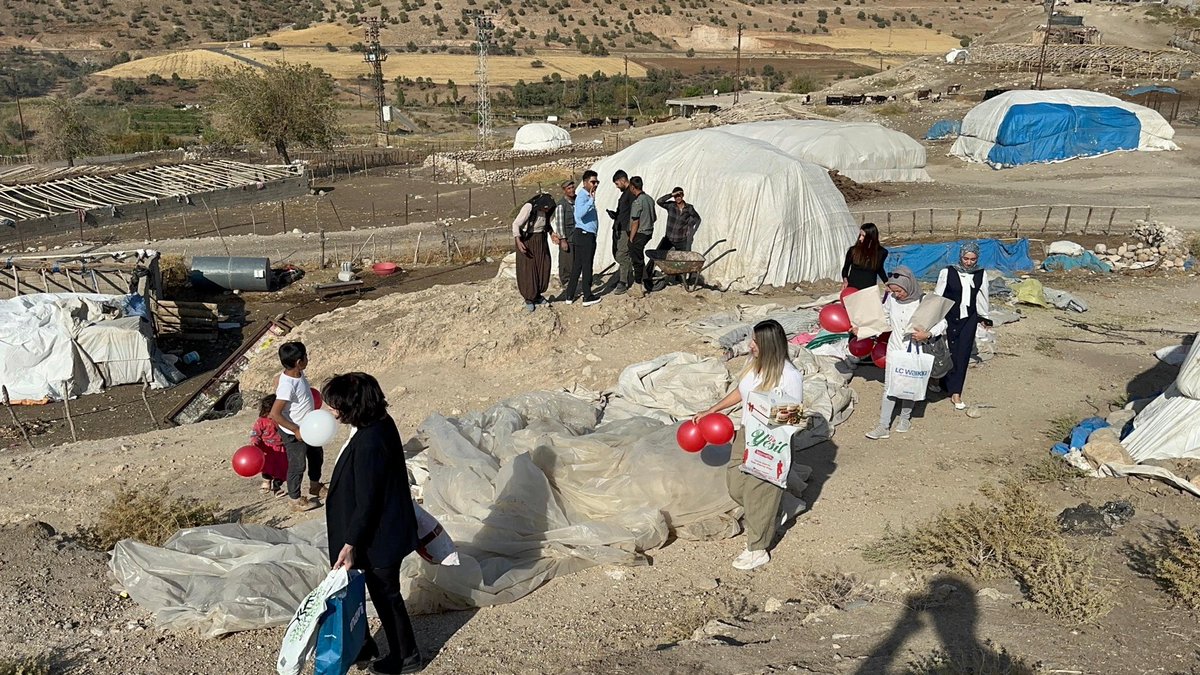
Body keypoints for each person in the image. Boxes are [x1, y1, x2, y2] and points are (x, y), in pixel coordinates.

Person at [323, 372, 424, 675]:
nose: (332, 411)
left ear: (353, 407)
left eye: (336, 406)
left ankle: (406, 656)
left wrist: (351, 543)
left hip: (377, 535)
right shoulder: (378, 423)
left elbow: (368, 500)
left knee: (385, 594)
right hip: (377, 530)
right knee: (364, 591)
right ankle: (364, 645)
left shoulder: (369, 441)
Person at [692, 319, 804, 571]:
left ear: (768, 345)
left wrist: (763, 411)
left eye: (755, 341)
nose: (750, 345)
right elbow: (742, 392)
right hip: (746, 434)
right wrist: (713, 410)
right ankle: (779, 508)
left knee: (759, 492)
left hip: (770, 441)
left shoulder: (789, 376)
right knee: (736, 485)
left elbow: (794, 417)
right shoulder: (754, 365)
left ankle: (757, 548)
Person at [863, 266, 946, 440]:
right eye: (893, 291)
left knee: (910, 384)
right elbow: (883, 319)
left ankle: (905, 418)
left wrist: (927, 334)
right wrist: (864, 329)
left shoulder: (923, 300)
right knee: (890, 386)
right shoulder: (891, 299)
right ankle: (883, 426)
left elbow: (942, 323)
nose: (897, 294)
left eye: (899, 291)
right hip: (894, 348)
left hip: (915, 348)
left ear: (908, 285)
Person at [934, 242, 993, 411]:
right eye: (966, 258)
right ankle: (942, 382)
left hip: (969, 319)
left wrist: (985, 318)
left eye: (972, 259)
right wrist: (934, 318)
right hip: (949, 317)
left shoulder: (981, 274)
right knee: (947, 351)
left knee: (963, 353)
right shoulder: (948, 272)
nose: (968, 263)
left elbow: (982, 297)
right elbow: (938, 296)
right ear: (960, 257)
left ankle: (956, 392)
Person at [269, 341, 324, 513]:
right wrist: (295, 430)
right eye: (306, 356)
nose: (308, 358)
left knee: (316, 456)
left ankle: (315, 486)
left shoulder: (295, 373)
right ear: (299, 362)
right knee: (298, 464)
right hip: (294, 432)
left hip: (308, 428)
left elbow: (277, 379)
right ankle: (295, 499)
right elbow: (274, 414)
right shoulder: (288, 385)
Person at [560, 170, 602, 306]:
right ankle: (587, 296)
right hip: (585, 235)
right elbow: (579, 214)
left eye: (597, 182)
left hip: (584, 235)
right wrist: (591, 200)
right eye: (593, 182)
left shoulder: (585, 196)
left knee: (577, 266)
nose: (595, 184)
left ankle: (569, 295)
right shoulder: (584, 197)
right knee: (587, 265)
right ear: (585, 183)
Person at [512, 192, 557, 312]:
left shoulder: (547, 210)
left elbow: (546, 224)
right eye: (544, 208)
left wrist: (552, 234)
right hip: (527, 240)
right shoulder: (529, 208)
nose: (545, 210)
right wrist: (518, 240)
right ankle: (529, 298)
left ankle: (538, 295)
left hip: (541, 240)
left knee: (543, 266)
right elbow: (516, 224)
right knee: (529, 269)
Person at [250, 394, 288, 495]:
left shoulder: (283, 418)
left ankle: (277, 487)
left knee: (282, 468)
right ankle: (266, 481)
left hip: (281, 447)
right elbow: (255, 433)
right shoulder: (261, 421)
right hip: (267, 448)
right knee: (267, 466)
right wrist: (255, 443)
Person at [605, 170, 635, 294]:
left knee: (622, 255)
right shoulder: (624, 194)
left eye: (617, 184)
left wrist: (630, 230)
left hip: (624, 230)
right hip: (619, 227)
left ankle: (623, 281)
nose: (617, 187)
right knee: (618, 253)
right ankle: (626, 276)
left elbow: (634, 214)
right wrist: (615, 215)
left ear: (623, 180)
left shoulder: (631, 194)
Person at [627, 176, 656, 294]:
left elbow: (635, 222)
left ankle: (638, 287)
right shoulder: (649, 199)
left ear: (632, 187)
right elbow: (654, 217)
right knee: (639, 258)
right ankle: (643, 281)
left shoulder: (637, 202)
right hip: (649, 231)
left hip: (640, 233)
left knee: (637, 260)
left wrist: (631, 238)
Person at [842, 222, 888, 291]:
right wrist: (845, 280)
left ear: (870, 237)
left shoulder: (881, 252)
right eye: (860, 235)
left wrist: (887, 283)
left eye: (863, 236)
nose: (860, 238)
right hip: (853, 289)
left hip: (869, 290)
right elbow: (845, 268)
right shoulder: (853, 251)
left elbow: (880, 269)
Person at [655, 186, 701, 253]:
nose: (677, 198)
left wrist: (690, 228)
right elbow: (659, 201)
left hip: (681, 240)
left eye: (679, 196)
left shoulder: (689, 208)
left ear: (682, 195)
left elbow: (697, 219)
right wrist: (671, 194)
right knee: (660, 257)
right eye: (675, 196)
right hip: (669, 239)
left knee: (684, 259)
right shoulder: (671, 206)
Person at [551, 178, 576, 287]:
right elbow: (560, 224)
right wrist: (563, 240)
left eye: (572, 187)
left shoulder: (576, 201)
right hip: (567, 237)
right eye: (568, 188)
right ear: (564, 190)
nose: (571, 190)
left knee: (574, 260)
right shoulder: (561, 205)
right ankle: (566, 282)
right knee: (566, 261)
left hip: (575, 236)